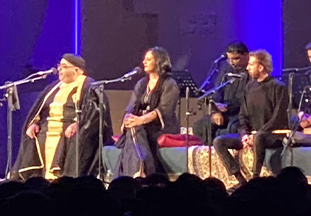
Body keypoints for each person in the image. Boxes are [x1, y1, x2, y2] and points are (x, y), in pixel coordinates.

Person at [13, 54, 110, 180]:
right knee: (31, 137)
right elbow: (40, 110)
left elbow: (94, 114)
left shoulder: (89, 86)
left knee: (74, 138)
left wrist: (78, 124)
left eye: (64, 66)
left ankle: (64, 180)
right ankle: (37, 180)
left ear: (77, 70)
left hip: (69, 128)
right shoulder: (53, 87)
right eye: (59, 66)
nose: (59, 69)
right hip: (46, 129)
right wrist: (34, 123)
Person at [213, 49, 288, 185]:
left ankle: (255, 179)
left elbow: (278, 117)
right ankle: (241, 181)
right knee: (219, 141)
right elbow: (243, 115)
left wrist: (257, 134)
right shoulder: (249, 87)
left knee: (259, 138)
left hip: (272, 134)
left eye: (251, 64)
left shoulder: (278, 87)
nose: (247, 68)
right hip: (253, 135)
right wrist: (244, 135)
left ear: (261, 67)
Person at [114, 46, 180, 177]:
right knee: (133, 129)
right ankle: (140, 169)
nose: (144, 62)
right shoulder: (141, 83)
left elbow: (164, 110)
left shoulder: (169, 83)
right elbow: (131, 107)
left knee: (134, 130)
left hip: (160, 126)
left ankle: (132, 173)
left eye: (148, 59)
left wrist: (140, 120)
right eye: (144, 59)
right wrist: (127, 120)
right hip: (140, 125)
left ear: (159, 61)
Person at [193, 41, 250, 144]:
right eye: (229, 59)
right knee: (200, 125)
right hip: (223, 113)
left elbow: (248, 98)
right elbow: (217, 91)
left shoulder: (250, 72)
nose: (232, 62)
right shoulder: (226, 70)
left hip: (239, 114)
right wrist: (216, 112)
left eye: (236, 59)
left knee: (233, 128)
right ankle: (212, 150)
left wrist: (228, 106)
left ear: (246, 56)